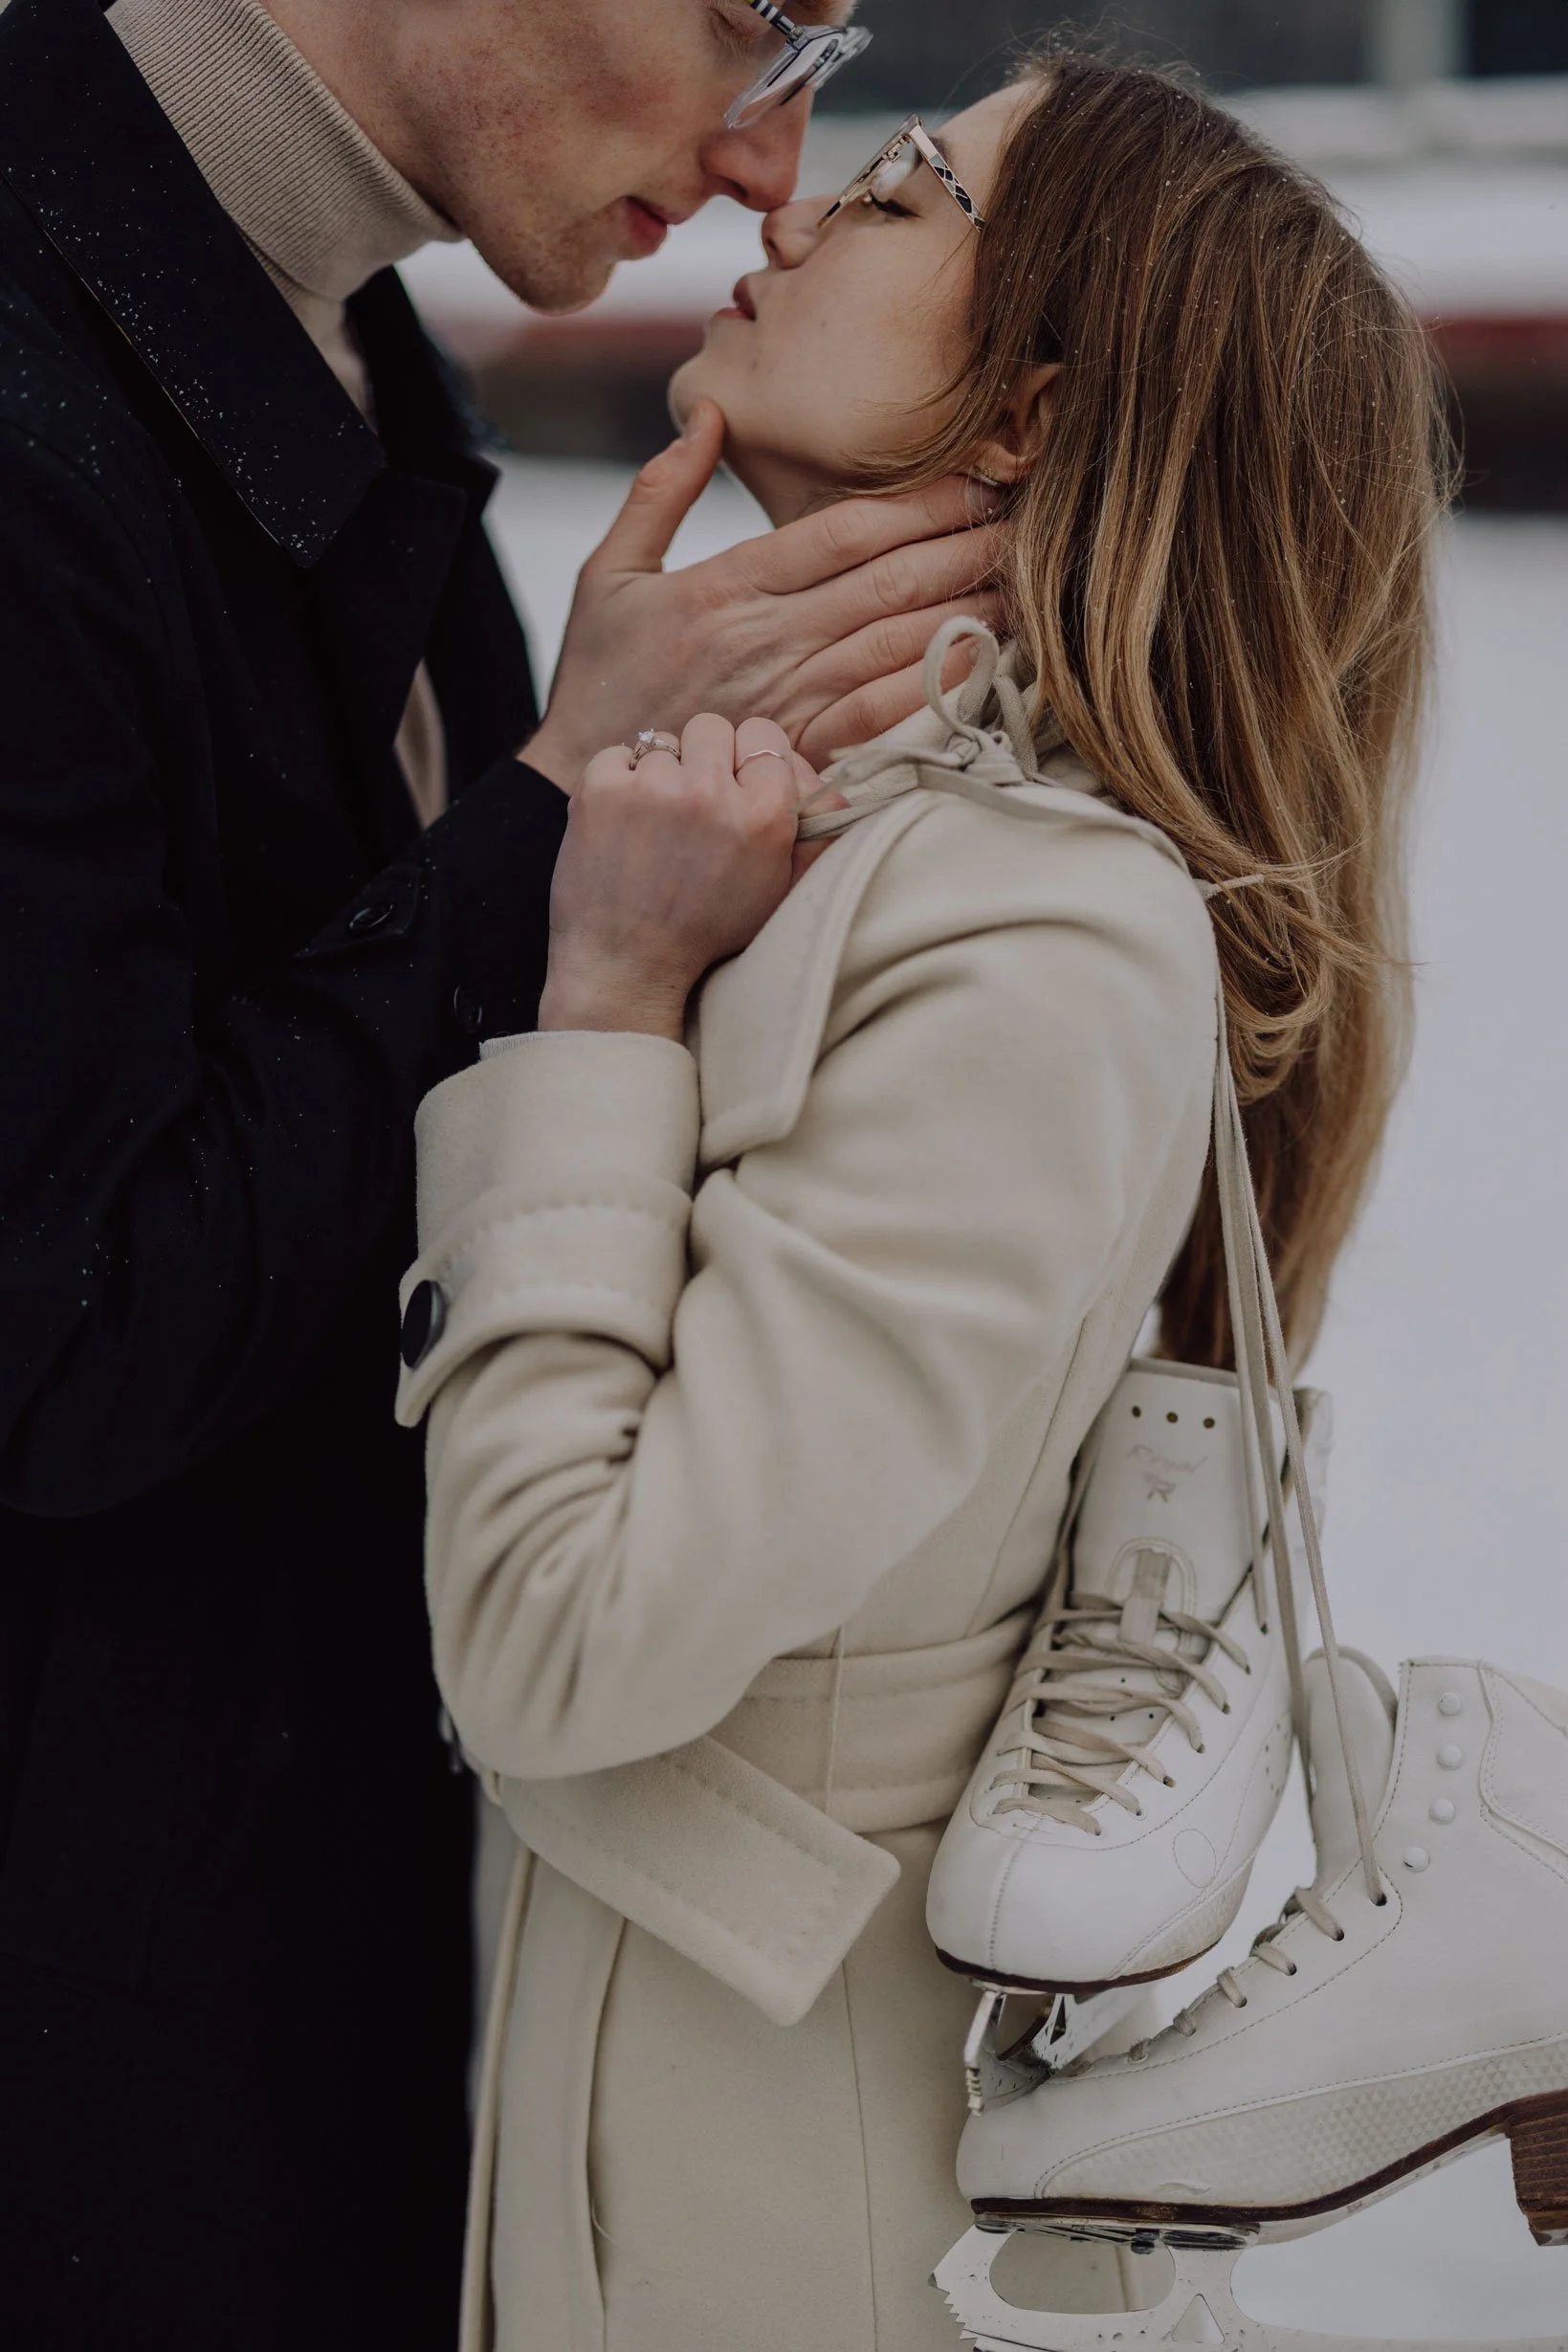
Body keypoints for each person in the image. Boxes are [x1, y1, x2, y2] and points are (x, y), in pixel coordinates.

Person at [395, 52, 1449, 2352]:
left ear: (1031, 420)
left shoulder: (1034, 941)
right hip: (592, 2131)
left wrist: (601, 995)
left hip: (779, 2213)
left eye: (903, 191)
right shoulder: (815, 842)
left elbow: (567, 1640)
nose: (786, 199)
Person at [0, 0, 1010, 2344]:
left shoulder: (330, 330)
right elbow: (61, 1323)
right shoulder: (50, 402)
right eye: (768, 25)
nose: (777, 162)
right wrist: (549, 832)